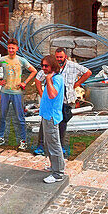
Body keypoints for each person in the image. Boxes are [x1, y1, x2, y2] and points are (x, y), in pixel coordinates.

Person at [0, 39, 35, 150]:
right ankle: (0, 137)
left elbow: (33, 71)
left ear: (17, 49)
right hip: (4, 92)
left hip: (17, 92)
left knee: (20, 117)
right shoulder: (2, 60)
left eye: (13, 48)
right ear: (7, 48)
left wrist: (25, 82)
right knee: (2, 116)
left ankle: (23, 140)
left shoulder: (21, 60)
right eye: (9, 48)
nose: (11, 50)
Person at [35, 54, 67, 183]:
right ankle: (55, 167)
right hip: (46, 115)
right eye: (42, 65)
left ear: (53, 66)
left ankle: (58, 174)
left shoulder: (56, 79)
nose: (43, 68)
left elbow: (53, 94)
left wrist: (48, 80)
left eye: (46, 66)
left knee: (54, 145)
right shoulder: (52, 77)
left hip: (52, 117)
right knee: (49, 144)